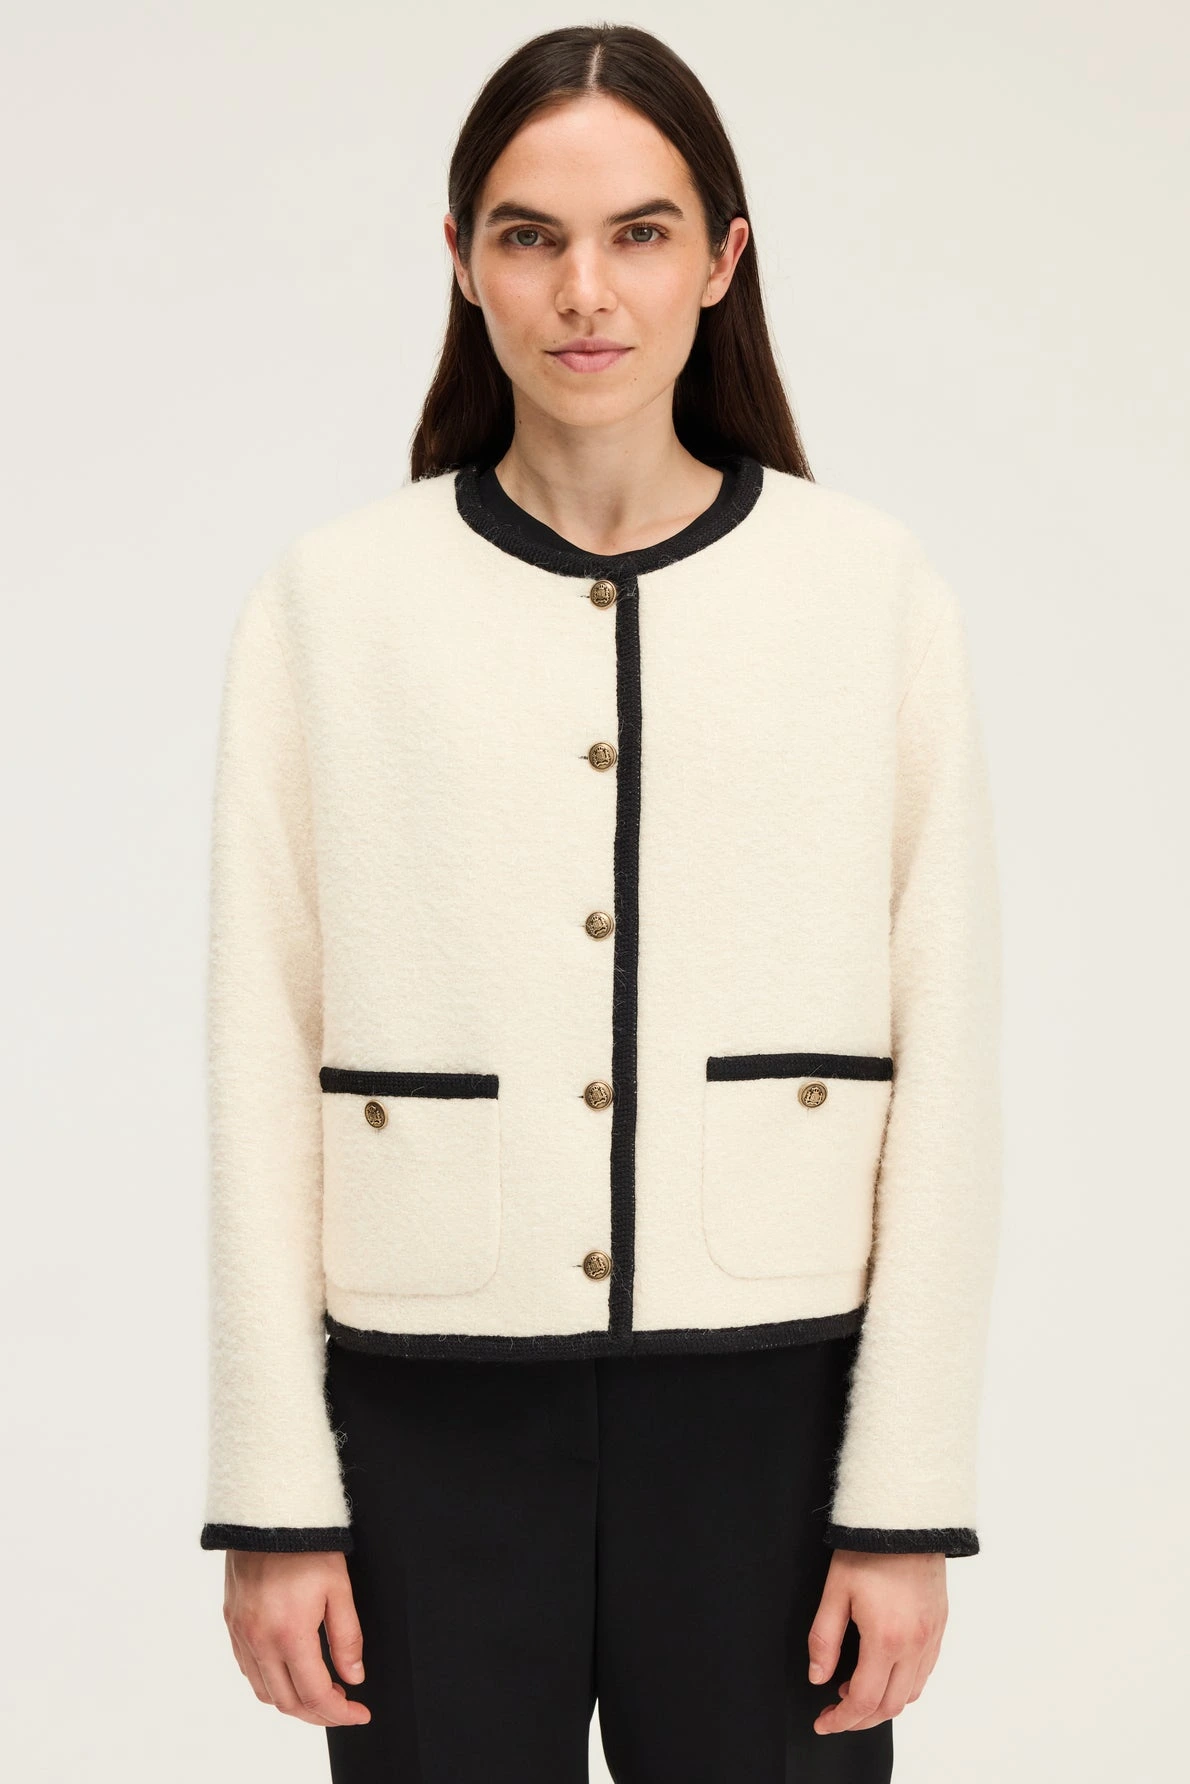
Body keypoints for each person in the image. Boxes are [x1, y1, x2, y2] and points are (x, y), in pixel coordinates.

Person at [198, 23, 1002, 1784]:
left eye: (639, 232)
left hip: (775, 1418)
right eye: (528, 235)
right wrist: (275, 1499)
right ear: (460, 259)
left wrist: (902, 1505)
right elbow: (260, 1050)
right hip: (420, 1414)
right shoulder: (334, 602)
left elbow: (949, 1059)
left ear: (720, 258)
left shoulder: (866, 591)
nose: (584, 289)